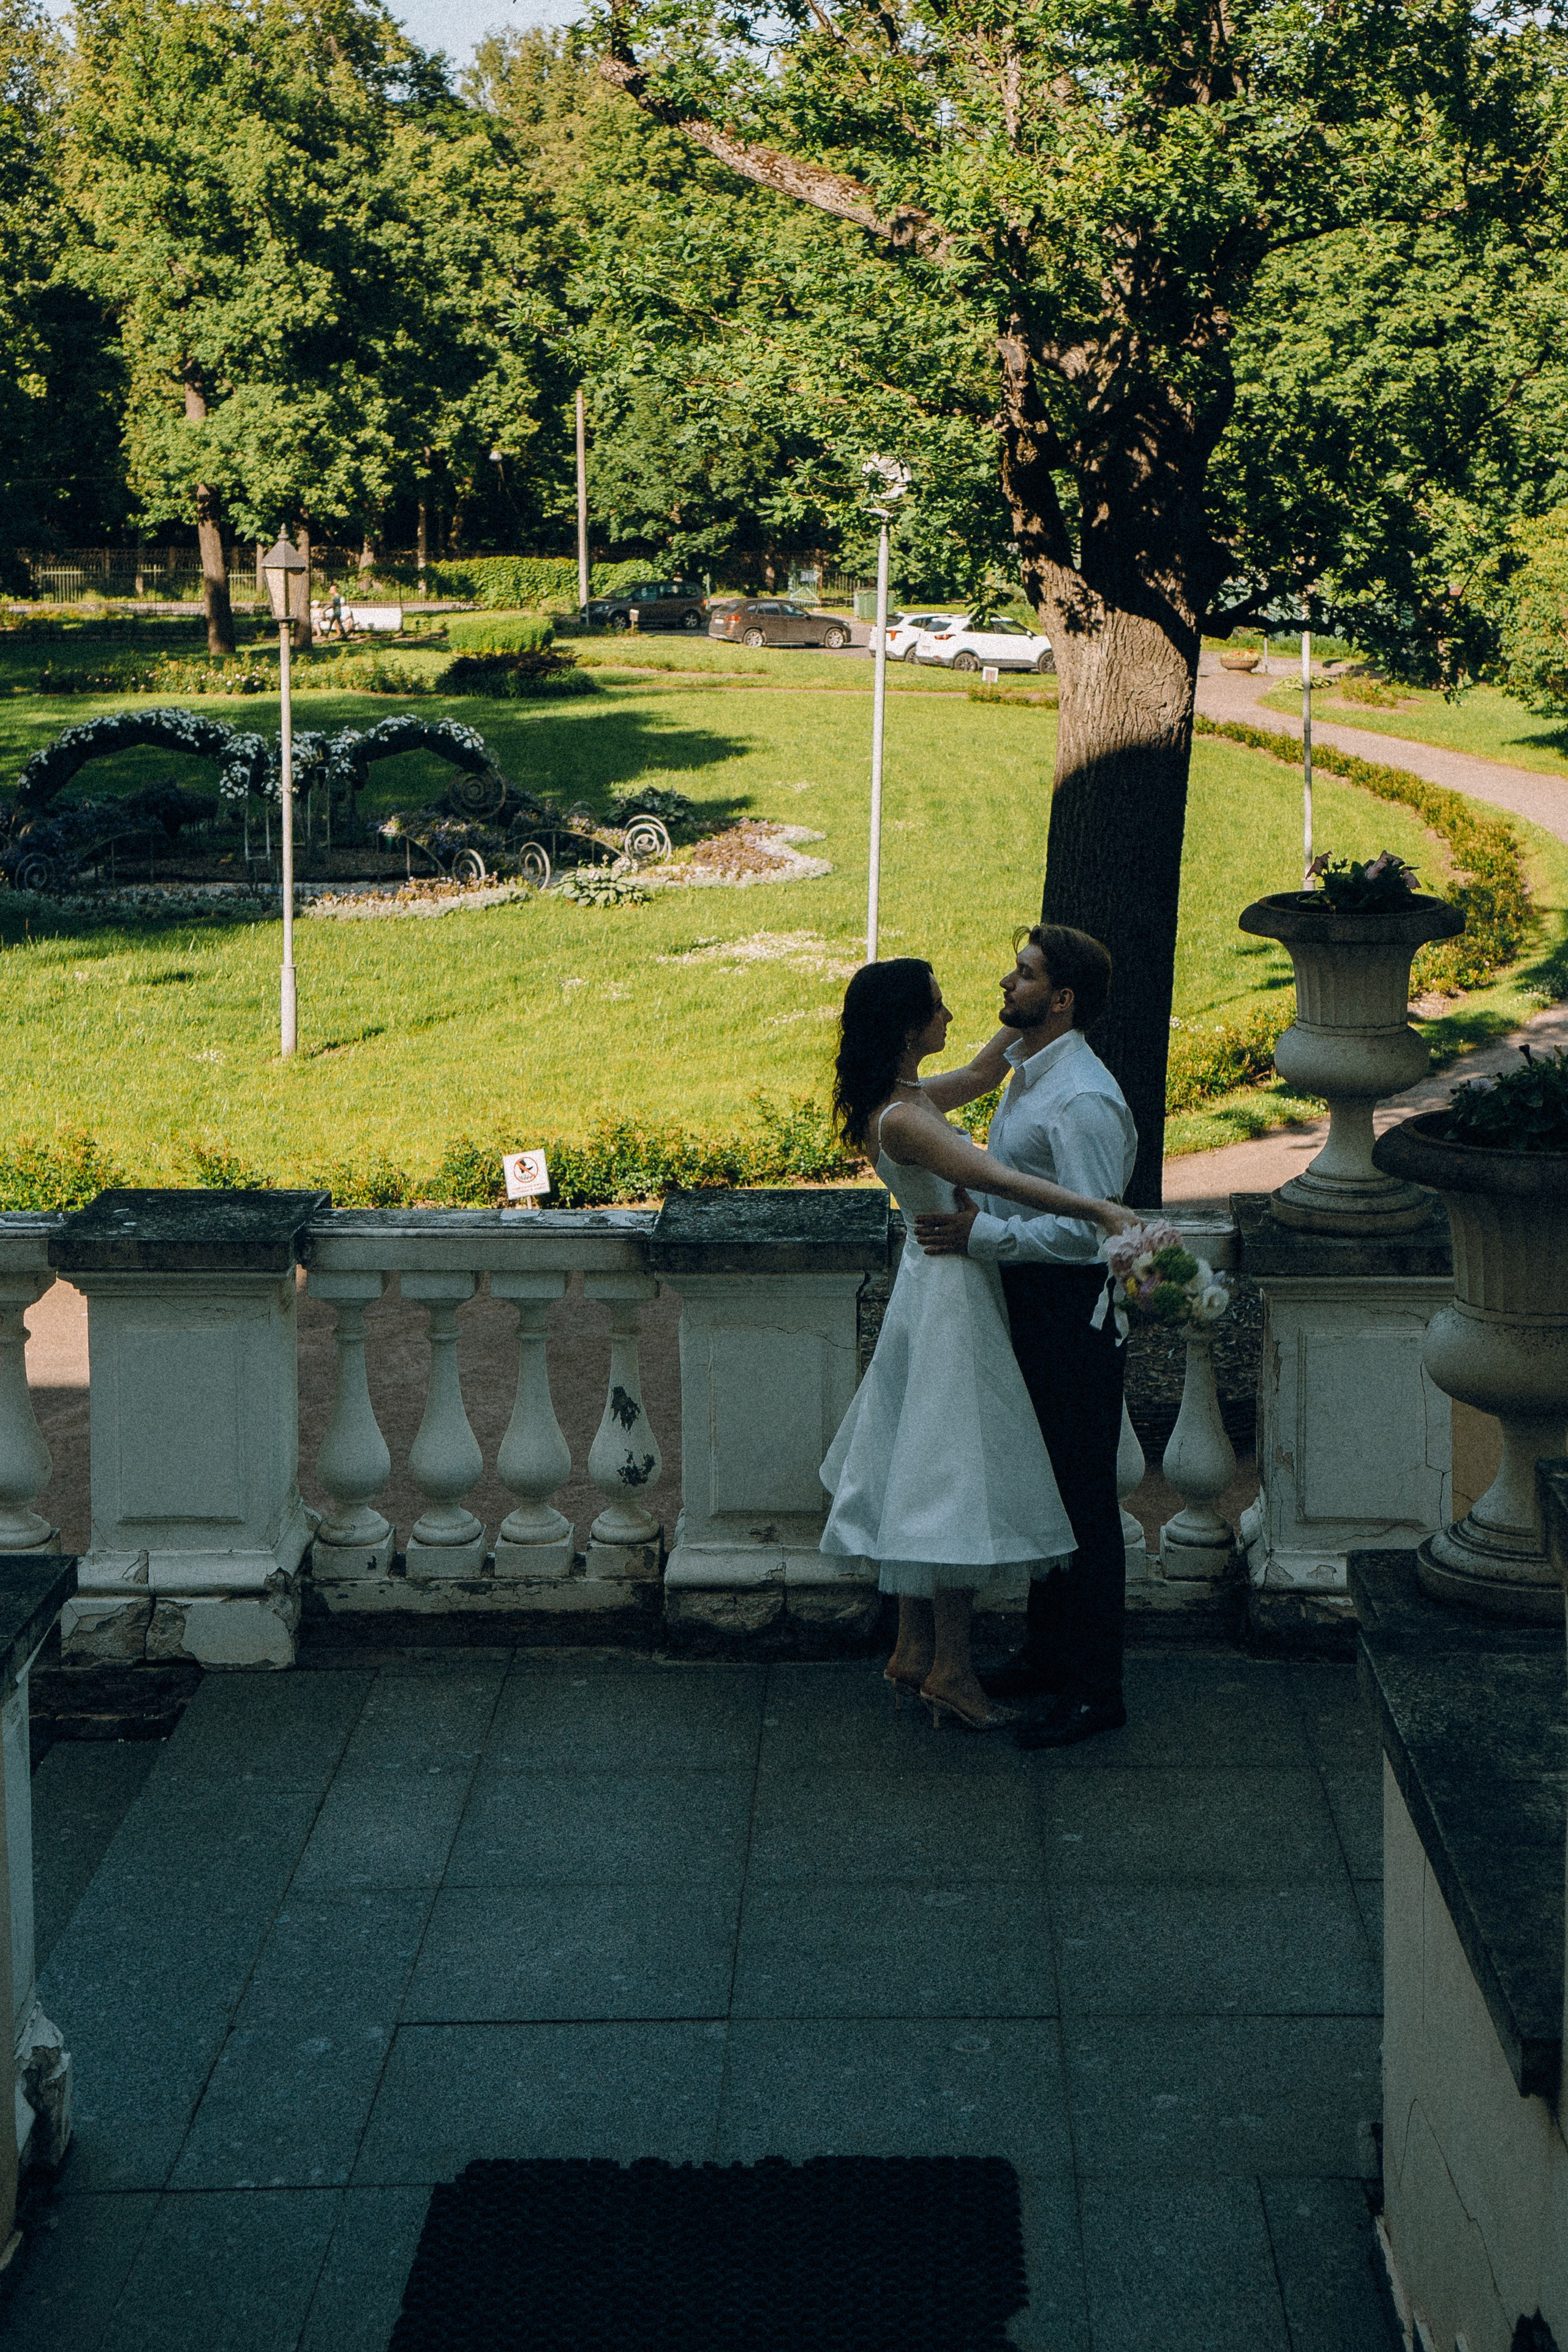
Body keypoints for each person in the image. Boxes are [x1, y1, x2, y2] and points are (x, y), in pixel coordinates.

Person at [818, 959, 1134, 1732]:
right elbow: (1004, 1180)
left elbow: (990, 1068)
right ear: (905, 1028)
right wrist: (1102, 1211)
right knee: (953, 1472)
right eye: (936, 1007)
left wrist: (1037, 996)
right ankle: (950, 1670)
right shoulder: (908, 1120)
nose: (953, 1013)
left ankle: (915, 1650)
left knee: (923, 1463)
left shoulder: (901, 1099)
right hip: (954, 1292)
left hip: (932, 1285)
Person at [914, 925, 1137, 1751]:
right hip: (1030, 1302)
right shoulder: (1028, 1064)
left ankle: (1094, 1689)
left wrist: (985, 1238)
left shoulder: (1081, 1100)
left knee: (1083, 1501)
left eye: (1027, 975)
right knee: (1050, 1486)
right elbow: (975, 1076)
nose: (1008, 982)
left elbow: (1091, 1235)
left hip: (1070, 1312)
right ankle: (1049, 1656)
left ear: (1064, 999)